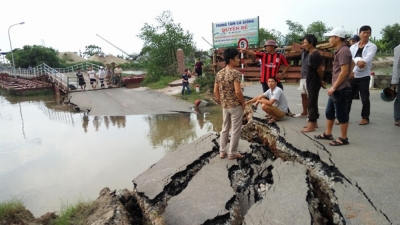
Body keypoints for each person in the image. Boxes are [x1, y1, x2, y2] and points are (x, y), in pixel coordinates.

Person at [315, 27, 353, 146]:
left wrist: (334, 87)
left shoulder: (343, 51)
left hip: (340, 88)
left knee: (341, 114)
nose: (329, 40)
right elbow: (352, 63)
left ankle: (343, 138)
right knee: (329, 112)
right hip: (338, 87)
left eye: (331, 37)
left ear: (337, 38)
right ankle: (328, 133)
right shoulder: (340, 50)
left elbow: (344, 71)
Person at [240, 40, 293, 116]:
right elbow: (253, 53)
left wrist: (282, 73)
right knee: (267, 97)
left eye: (267, 46)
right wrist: (246, 51)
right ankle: (270, 112)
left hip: (276, 81)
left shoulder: (280, 56)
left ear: (273, 47)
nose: (266, 48)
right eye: (266, 46)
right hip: (265, 81)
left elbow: (287, 65)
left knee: (280, 96)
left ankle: (286, 111)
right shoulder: (263, 55)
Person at [214, 48, 245, 160]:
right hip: (235, 106)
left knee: (225, 128)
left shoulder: (219, 73)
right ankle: (232, 153)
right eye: (237, 58)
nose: (239, 60)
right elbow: (238, 91)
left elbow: (215, 91)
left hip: (225, 106)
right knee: (235, 129)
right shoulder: (236, 73)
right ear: (231, 60)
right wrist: (243, 103)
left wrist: (222, 101)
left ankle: (222, 152)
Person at [347, 25, 377, 125]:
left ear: (370, 34)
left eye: (367, 32)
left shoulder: (372, 46)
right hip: (352, 75)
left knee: (365, 98)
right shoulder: (353, 47)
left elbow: (365, 61)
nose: (365, 34)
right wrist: (351, 70)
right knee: (348, 97)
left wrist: (356, 61)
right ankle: (344, 117)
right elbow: (349, 60)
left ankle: (365, 117)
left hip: (364, 76)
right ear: (359, 33)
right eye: (363, 32)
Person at [301, 34, 324, 132]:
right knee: (313, 103)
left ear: (311, 43)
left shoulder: (315, 54)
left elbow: (320, 69)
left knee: (311, 103)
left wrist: (320, 80)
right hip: (310, 80)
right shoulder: (310, 53)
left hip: (314, 82)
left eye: (305, 42)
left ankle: (311, 124)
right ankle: (314, 123)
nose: (304, 44)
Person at [294, 47, 310, 118]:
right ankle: (304, 111)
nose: (303, 44)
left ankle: (311, 114)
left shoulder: (313, 53)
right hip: (303, 77)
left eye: (305, 42)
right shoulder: (303, 52)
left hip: (310, 78)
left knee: (310, 97)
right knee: (303, 95)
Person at [391, 44, 400, 126]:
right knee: (399, 99)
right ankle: (398, 118)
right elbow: (396, 65)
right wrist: (395, 80)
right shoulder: (398, 48)